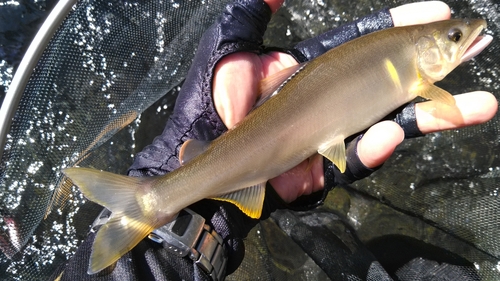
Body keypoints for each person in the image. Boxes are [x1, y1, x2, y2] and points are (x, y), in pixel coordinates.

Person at [52, 0, 497, 280]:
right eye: (454, 37)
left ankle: (155, 199)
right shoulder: (426, 80)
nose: (462, 37)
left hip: (242, 176)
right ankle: (154, 200)